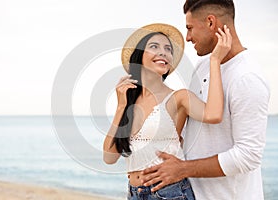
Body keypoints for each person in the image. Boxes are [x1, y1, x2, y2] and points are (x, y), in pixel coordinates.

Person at [141, 1, 271, 200]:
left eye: (190, 28)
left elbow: (248, 156)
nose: (188, 37)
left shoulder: (247, 77)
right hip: (191, 194)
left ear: (211, 22)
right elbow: (190, 132)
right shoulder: (203, 66)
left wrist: (183, 169)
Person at [103, 22, 231, 200]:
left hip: (169, 193)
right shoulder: (129, 102)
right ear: (139, 56)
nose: (164, 52)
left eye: (168, 49)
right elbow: (109, 157)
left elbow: (214, 114)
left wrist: (215, 61)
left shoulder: (179, 98)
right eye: (154, 46)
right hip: (134, 194)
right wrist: (120, 107)